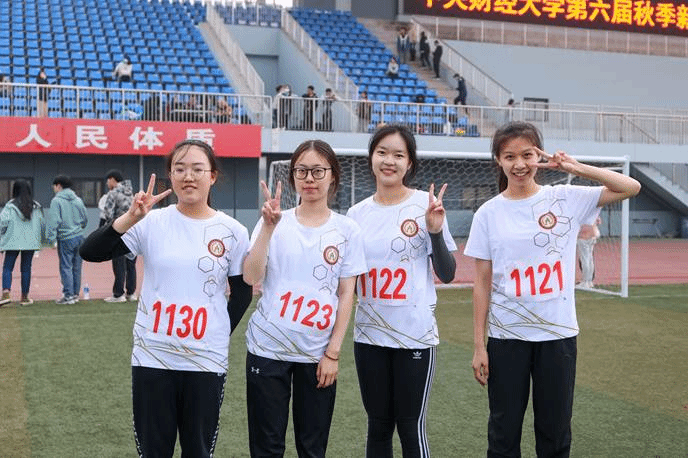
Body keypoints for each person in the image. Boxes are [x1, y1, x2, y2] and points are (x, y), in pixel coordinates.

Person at [463, 121, 641, 458]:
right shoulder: (488, 213)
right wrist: (478, 346)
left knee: (555, 433)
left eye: (527, 155)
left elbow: (631, 186)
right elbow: (482, 284)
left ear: (539, 156)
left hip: (557, 336)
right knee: (503, 434)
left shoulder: (565, 199)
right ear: (498, 160)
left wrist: (575, 168)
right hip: (507, 338)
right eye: (509, 156)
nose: (519, 164)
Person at [79, 139, 253, 457]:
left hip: (205, 360)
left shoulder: (233, 232)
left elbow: (242, 293)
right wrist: (130, 217)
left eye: (198, 169)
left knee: (198, 451)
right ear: (170, 176)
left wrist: (216, 333)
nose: (189, 176)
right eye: (180, 169)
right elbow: (90, 251)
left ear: (213, 176)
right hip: (153, 356)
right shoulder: (151, 222)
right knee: (153, 451)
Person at [242, 140, 367, 458]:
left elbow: (346, 294)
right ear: (293, 176)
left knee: (312, 448)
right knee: (266, 448)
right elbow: (251, 277)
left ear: (332, 175)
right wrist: (267, 229)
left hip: (317, 354)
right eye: (301, 171)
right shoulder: (274, 221)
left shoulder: (347, 230)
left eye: (318, 171)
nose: (309, 178)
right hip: (267, 349)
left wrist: (333, 353)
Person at [346, 124, 457, 458]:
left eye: (398, 155)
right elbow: (348, 282)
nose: (389, 161)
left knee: (410, 426)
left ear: (409, 163)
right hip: (370, 337)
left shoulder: (426, 204)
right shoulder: (356, 215)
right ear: (371, 158)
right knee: (378, 426)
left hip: (414, 336)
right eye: (382, 153)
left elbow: (447, 274)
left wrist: (434, 232)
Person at [0, 180, 45, 306]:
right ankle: (25, 297)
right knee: (26, 268)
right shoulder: (36, 206)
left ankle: (6, 293)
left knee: (7, 267)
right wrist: (41, 240)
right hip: (30, 242)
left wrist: (2, 239)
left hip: (12, 241)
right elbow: (41, 224)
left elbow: (2, 223)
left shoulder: (10, 206)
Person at [46, 175, 88, 305]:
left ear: (58, 185)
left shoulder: (56, 201)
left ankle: (68, 295)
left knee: (66, 267)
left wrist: (51, 239)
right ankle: (75, 294)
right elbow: (85, 219)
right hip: (79, 237)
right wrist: (79, 228)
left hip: (65, 237)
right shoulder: (78, 200)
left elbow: (53, 221)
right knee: (77, 267)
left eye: (54, 186)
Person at [102, 170, 137, 303]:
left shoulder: (113, 193)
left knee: (118, 263)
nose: (107, 183)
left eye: (108, 180)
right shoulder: (132, 194)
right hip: (132, 232)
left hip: (119, 232)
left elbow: (108, 213)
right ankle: (131, 293)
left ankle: (118, 294)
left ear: (112, 179)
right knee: (131, 264)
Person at [577, 216, 601, 288]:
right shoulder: (594, 214)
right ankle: (589, 281)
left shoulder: (583, 213)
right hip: (593, 235)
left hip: (584, 236)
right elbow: (599, 221)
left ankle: (585, 281)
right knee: (590, 259)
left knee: (585, 260)